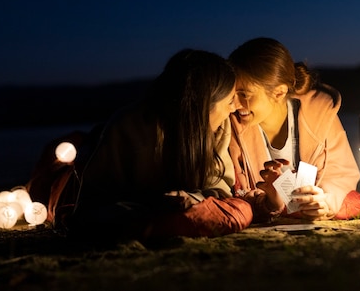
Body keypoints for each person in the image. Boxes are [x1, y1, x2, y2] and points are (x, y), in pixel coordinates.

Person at [67, 49, 255, 240]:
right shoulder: (128, 126)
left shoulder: (219, 127)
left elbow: (220, 189)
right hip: (136, 212)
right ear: (204, 104)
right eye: (230, 101)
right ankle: (157, 228)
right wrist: (152, 206)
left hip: (188, 209)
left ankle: (161, 227)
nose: (235, 108)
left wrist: (191, 199)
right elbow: (92, 204)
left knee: (241, 209)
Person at [228, 37, 360, 221]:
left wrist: (324, 201)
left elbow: (342, 174)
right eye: (232, 93)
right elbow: (234, 187)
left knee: (354, 202)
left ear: (279, 92)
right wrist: (268, 202)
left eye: (244, 94)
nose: (235, 104)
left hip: (311, 217)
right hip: (263, 214)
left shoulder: (319, 114)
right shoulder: (230, 124)